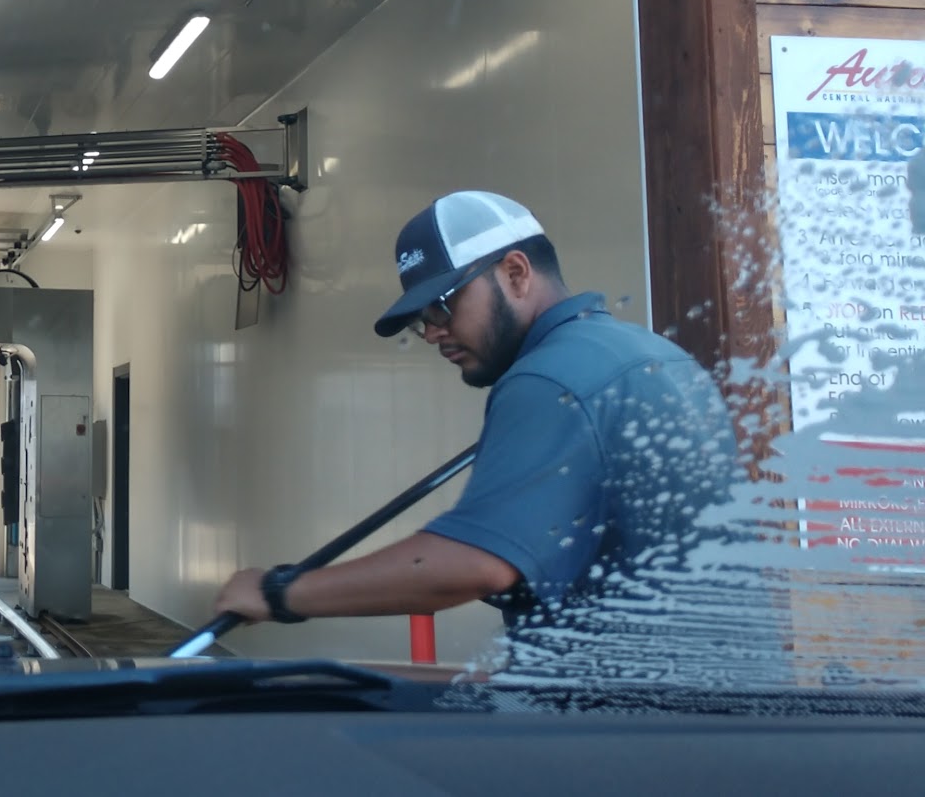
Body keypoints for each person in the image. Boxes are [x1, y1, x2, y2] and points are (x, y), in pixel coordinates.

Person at [210, 190, 742, 646]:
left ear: (515, 273)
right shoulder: (652, 355)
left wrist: (279, 593)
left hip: (626, 716)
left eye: (441, 305)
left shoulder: (549, 380)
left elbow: (475, 564)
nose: (432, 331)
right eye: (421, 319)